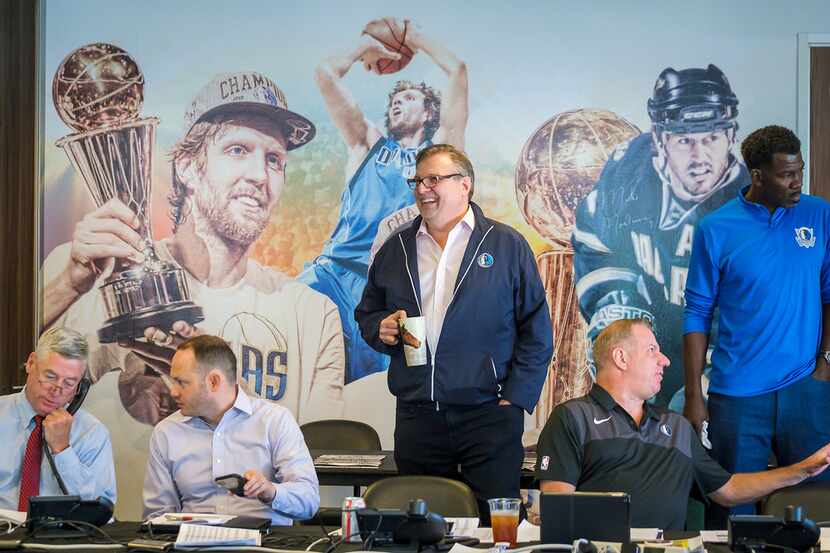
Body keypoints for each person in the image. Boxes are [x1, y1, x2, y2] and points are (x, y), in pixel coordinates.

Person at [41, 71, 345, 426]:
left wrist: (216, 387)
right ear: (187, 167)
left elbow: (318, 461)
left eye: (274, 159)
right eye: (238, 150)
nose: (260, 176)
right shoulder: (97, 276)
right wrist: (68, 287)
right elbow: (22, 391)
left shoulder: (313, 315)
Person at [355, 144, 552, 520]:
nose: (423, 188)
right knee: (420, 528)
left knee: (494, 528)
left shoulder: (506, 244)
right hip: (418, 417)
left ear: (465, 185)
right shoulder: (395, 248)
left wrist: (516, 396)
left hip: (489, 416)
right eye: (418, 180)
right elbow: (367, 312)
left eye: (434, 179)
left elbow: (537, 329)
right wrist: (377, 327)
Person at [536, 318, 830, 530]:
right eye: (652, 349)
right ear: (621, 357)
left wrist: (801, 470)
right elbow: (560, 509)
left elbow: (728, 490)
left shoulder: (675, 426)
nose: (665, 360)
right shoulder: (571, 417)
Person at [299, 18, 468, 383]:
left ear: (428, 112)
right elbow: (325, 75)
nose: (396, 103)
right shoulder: (367, 143)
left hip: (404, 292)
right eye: (393, 98)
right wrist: (365, 45)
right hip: (334, 273)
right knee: (278, 323)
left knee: (413, 376)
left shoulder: (440, 156)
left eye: (407, 98)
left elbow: (457, 71)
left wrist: (413, 38)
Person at [572, 64, 749, 406]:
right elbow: (595, 244)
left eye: (711, 138)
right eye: (684, 141)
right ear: (660, 140)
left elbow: (746, 314)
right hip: (647, 338)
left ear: (731, 136)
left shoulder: (749, 206)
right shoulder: (629, 172)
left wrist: (705, 386)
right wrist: (621, 329)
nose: (700, 158)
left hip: (715, 352)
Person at [683, 125, 830, 519]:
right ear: (758, 176)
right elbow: (697, 312)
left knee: (815, 510)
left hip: (807, 390)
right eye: (786, 174)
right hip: (738, 396)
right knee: (735, 512)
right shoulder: (716, 228)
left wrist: (825, 360)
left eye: (799, 171)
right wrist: (695, 396)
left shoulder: (819, 214)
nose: (797, 182)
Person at [142, 335, 319, 524]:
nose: (173, 391)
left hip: (263, 543)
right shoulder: (166, 432)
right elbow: (156, 516)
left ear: (214, 381)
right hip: (192, 544)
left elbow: (308, 501)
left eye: (182, 382)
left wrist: (270, 492)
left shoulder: (274, 421)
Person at [0, 327, 116, 511]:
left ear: (80, 387)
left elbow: (100, 512)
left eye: (69, 383)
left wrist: (63, 450)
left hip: (62, 536)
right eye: (50, 376)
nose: (56, 390)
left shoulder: (92, 432)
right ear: (31, 363)